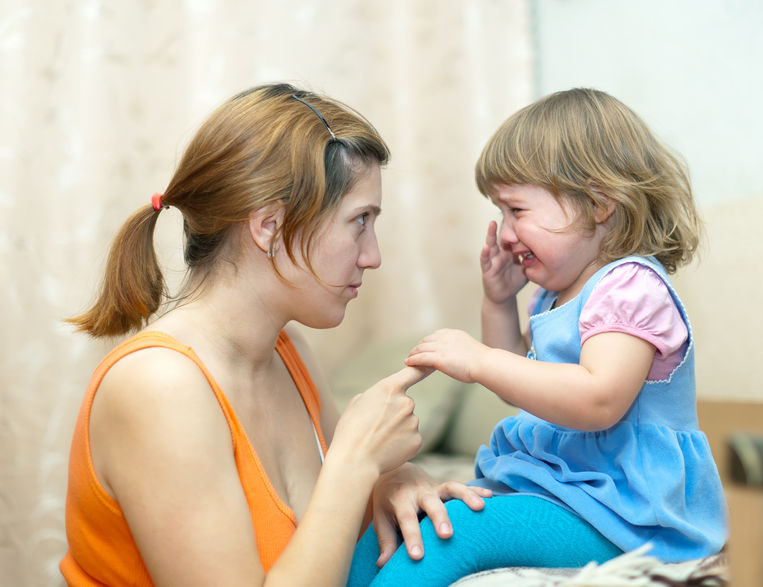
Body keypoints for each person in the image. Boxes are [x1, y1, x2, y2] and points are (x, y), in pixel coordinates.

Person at [60, 83, 491, 586]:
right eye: (359, 222)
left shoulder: (289, 353)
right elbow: (341, 484)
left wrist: (390, 480)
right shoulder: (159, 387)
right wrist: (355, 463)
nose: (373, 255)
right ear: (269, 226)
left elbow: (330, 530)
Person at [347, 88, 728, 586]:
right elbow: (521, 383)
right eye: (499, 213)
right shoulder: (554, 295)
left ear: (597, 203)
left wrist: (478, 358)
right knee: (395, 527)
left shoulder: (631, 285)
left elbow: (597, 400)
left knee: (453, 531)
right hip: (568, 492)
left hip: (627, 511)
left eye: (516, 210)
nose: (504, 233)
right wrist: (499, 302)